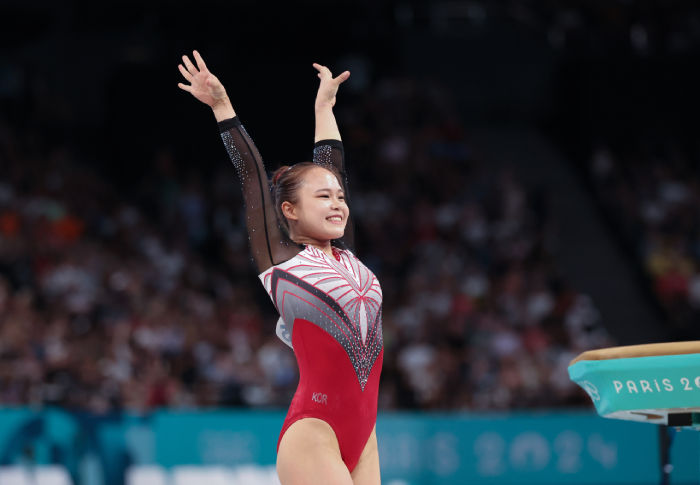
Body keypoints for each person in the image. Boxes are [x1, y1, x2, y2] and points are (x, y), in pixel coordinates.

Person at [178, 50, 383, 485]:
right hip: (315, 430)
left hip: (365, 435)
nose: (338, 203)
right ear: (288, 210)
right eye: (323, 198)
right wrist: (222, 107)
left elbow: (333, 167)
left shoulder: (347, 255)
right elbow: (252, 177)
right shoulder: (284, 262)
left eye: (341, 197)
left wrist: (324, 108)